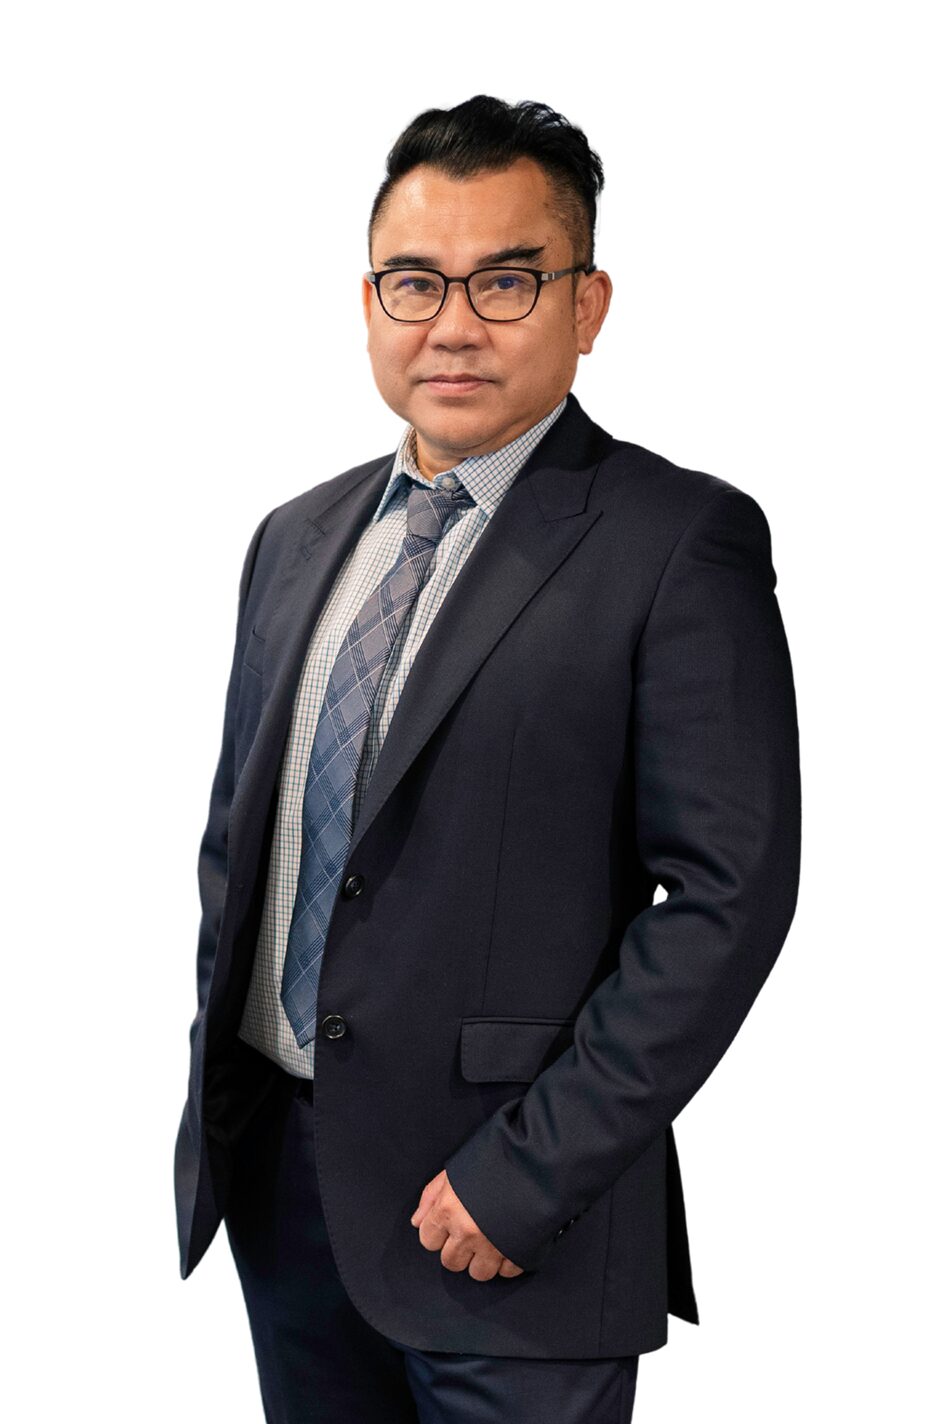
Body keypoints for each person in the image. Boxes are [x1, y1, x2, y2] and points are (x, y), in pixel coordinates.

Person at [173, 94, 801, 1424]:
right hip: (286, 1199)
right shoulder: (294, 539)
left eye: (506, 281)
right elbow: (243, 846)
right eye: (415, 282)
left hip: (512, 1226)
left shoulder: (676, 544)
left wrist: (526, 1179)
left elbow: (728, 899)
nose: (452, 324)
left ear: (588, 303)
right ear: (369, 303)